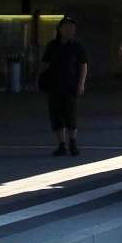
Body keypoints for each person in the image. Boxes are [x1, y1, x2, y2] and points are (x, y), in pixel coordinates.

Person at [37, 16, 87, 156]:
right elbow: (44, 65)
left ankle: (72, 143)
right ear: (60, 29)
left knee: (71, 115)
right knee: (56, 115)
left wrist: (81, 83)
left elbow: (83, 66)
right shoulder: (52, 46)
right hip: (54, 86)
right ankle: (61, 145)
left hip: (71, 86)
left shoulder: (77, 47)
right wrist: (38, 80)